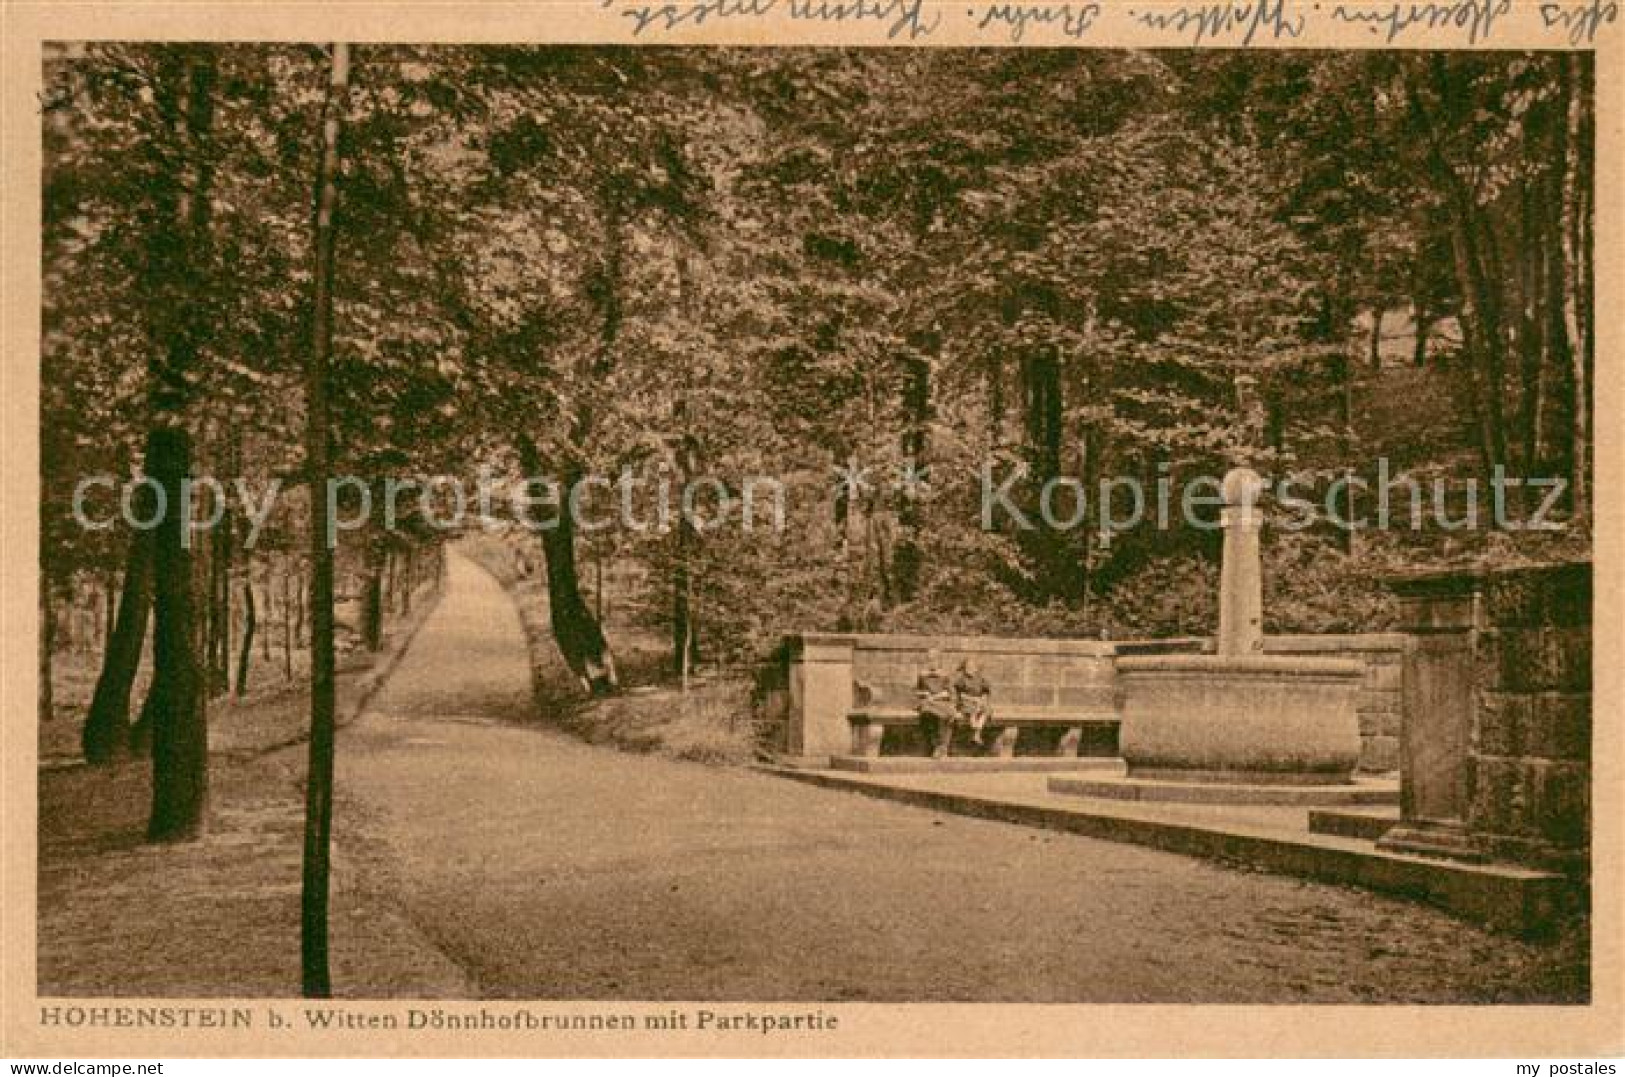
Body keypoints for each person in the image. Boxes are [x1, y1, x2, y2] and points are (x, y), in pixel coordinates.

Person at [915, 650, 957, 759]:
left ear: (939, 661)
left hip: (942, 701)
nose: (932, 662)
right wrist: (924, 693)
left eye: (934, 660)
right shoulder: (922, 675)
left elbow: (951, 692)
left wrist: (937, 696)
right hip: (927, 702)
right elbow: (917, 690)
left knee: (947, 714)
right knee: (928, 713)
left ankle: (942, 747)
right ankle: (938, 746)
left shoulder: (945, 675)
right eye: (929, 660)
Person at [954, 658, 993, 747]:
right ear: (964, 668)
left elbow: (985, 692)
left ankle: (977, 732)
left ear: (976, 668)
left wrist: (981, 699)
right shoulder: (962, 680)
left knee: (985, 711)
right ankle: (976, 732)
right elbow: (961, 695)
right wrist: (973, 699)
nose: (970, 669)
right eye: (968, 667)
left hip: (978, 702)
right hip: (966, 701)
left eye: (972, 667)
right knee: (972, 711)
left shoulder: (981, 679)